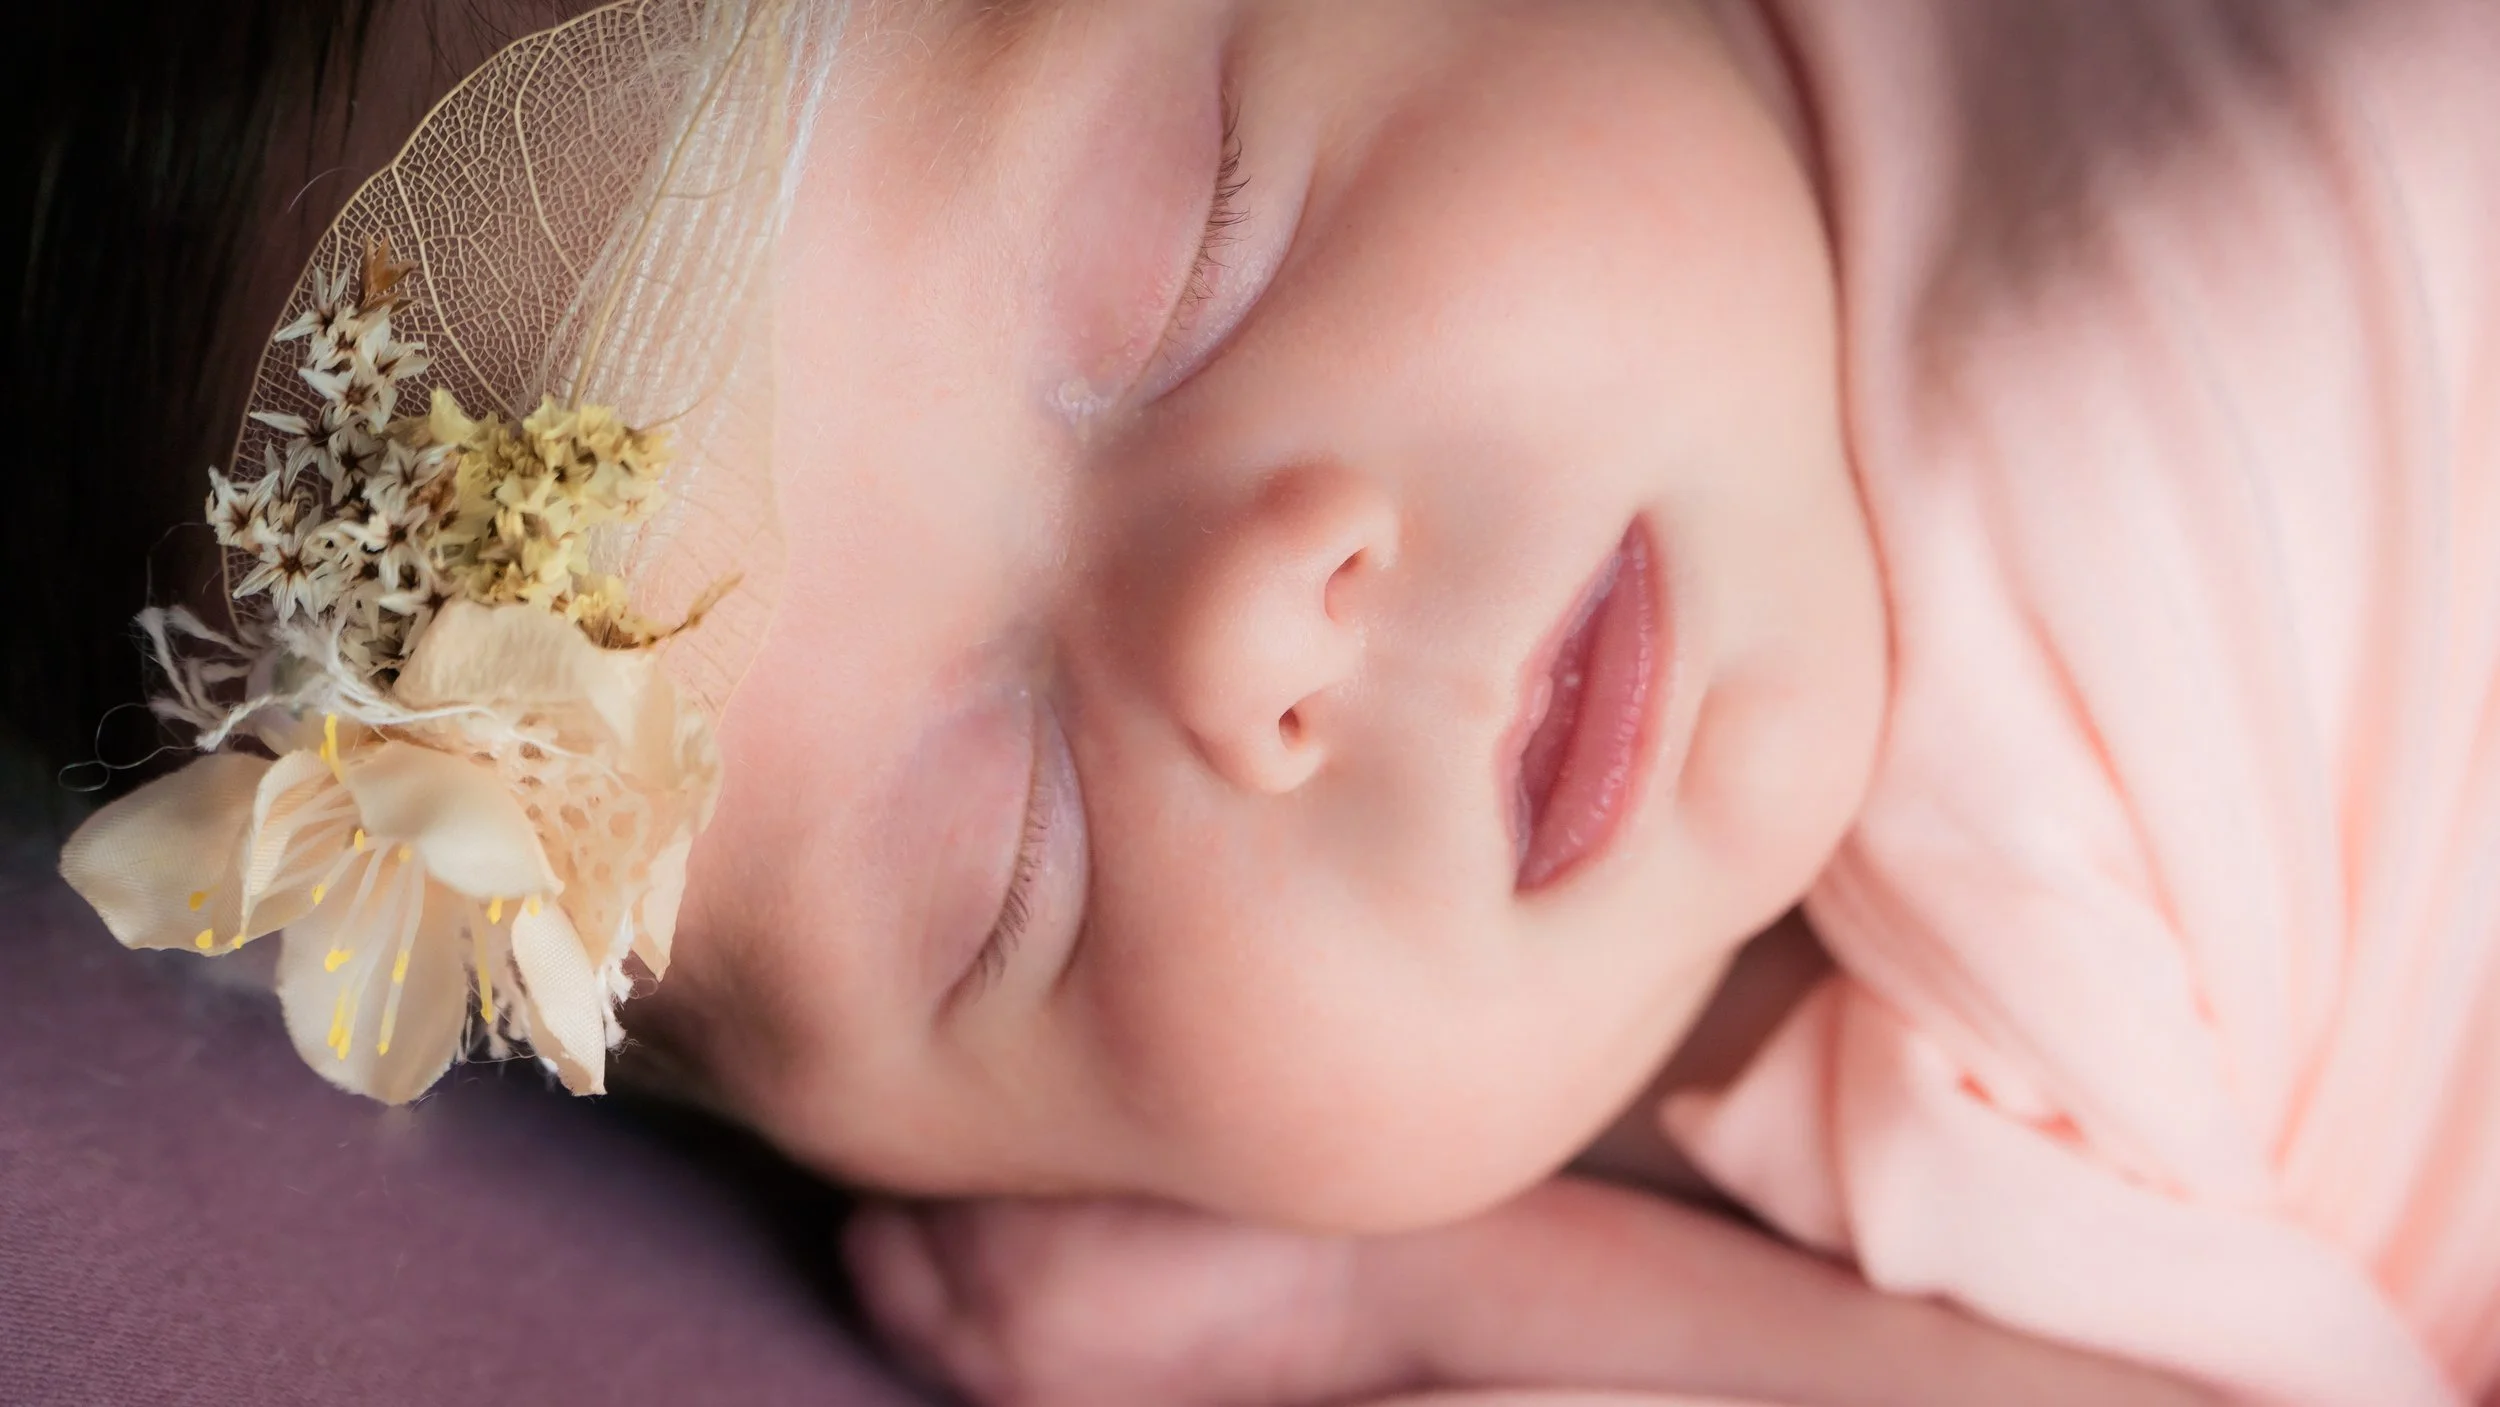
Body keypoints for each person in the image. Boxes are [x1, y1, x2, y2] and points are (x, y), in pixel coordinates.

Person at [19, 1, 2495, 1404]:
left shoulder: (2226, 288)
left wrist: (1411, 1297)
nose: (1250, 644)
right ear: (1001, 1164)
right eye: (1010, 866)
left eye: (1200, 236)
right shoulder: (1781, 1060)